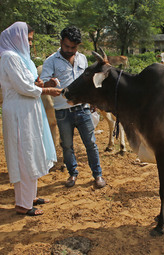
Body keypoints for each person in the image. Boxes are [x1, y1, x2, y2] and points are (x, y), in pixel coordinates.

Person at [0, 22, 62, 216]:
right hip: (19, 111)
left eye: (31, 40)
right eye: (27, 39)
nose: (29, 43)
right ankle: (23, 204)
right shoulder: (9, 57)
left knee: (31, 151)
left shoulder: (21, 58)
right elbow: (23, 88)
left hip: (28, 109)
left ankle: (30, 196)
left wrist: (42, 83)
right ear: (16, 38)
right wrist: (48, 90)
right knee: (24, 154)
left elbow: (28, 83)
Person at [40, 26, 106, 189]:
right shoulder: (51, 61)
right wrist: (50, 84)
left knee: (90, 143)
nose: (70, 50)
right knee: (67, 145)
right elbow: (43, 83)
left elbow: (88, 82)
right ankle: (72, 173)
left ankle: (97, 175)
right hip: (62, 111)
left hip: (82, 108)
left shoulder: (82, 59)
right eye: (67, 46)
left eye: (74, 48)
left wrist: (92, 100)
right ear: (61, 42)